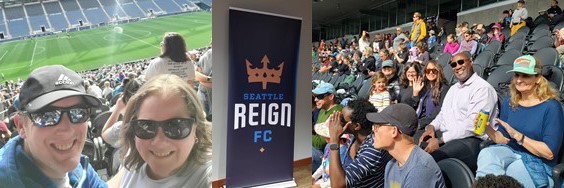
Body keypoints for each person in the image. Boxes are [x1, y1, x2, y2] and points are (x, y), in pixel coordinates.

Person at [0, 65, 106, 187]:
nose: (67, 130)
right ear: (21, 126)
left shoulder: (80, 167)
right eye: (47, 116)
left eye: (78, 112)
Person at [107, 74, 212, 187]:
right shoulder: (132, 162)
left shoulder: (213, 174)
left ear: (196, 129)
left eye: (176, 126)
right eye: (146, 126)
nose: (159, 142)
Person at [476, 55, 564, 188]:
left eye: (525, 76)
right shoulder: (509, 102)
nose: (519, 80)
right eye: (516, 75)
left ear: (538, 79)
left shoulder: (551, 106)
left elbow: (549, 153)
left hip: (538, 162)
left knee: (511, 172)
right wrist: (487, 129)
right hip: (511, 153)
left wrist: (519, 136)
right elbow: (503, 139)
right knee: (487, 153)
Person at [416, 53, 498, 171]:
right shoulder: (454, 88)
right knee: (410, 145)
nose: (457, 66)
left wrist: (440, 140)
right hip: (448, 136)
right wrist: (431, 127)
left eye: (461, 62)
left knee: (431, 159)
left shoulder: (482, 88)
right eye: (453, 64)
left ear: (471, 61)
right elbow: (442, 114)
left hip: (472, 140)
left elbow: (473, 126)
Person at [368, 103, 446, 188]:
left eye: (377, 126)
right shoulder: (391, 165)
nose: (373, 129)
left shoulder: (419, 170)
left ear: (394, 131)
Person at [326, 99, 393, 188]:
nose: (338, 122)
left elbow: (338, 185)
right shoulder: (355, 137)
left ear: (356, 126)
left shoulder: (374, 148)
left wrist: (334, 140)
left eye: (342, 120)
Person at [312, 83, 343, 170]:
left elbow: (320, 144)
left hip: (325, 153)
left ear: (331, 97)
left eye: (320, 96)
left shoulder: (335, 114)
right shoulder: (322, 110)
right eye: (315, 96)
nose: (315, 99)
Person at [414, 61, 450, 129]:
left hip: (430, 125)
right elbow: (415, 106)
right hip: (418, 119)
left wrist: (419, 124)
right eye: (428, 70)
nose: (431, 72)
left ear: (439, 71)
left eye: (434, 70)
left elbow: (438, 112)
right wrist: (415, 93)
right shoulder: (424, 86)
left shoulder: (444, 89)